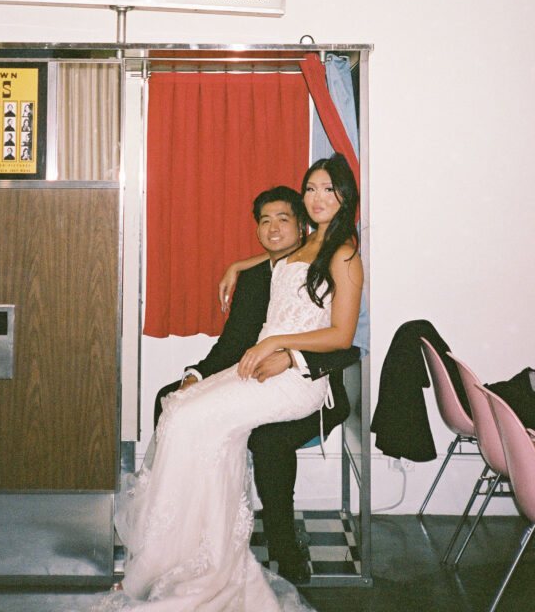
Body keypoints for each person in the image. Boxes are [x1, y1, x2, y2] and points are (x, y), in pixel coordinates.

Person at [102, 153, 363, 612]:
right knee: (180, 410)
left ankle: (196, 558)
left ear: (345, 197)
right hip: (258, 369)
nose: (318, 198)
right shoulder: (301, 247)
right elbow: (277, 258)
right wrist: (239, 266)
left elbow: (342, 335)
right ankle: (190, 553)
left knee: (189, 421)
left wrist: (282, 347)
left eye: (329, 189)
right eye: (311, 189)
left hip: (298, 380)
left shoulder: (344, 253)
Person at [153, 184, 361, 585]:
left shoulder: (337, 260)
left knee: (268, 440)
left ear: (302, 226)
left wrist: (292, 356)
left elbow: (349, 341)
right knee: (173, 400)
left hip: (315, 387)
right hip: (258, 378)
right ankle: (188, 533)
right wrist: (195, 375)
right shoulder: (253, 276)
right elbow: (233, 344)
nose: (273, 228)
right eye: (264, 221)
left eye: (283, 219)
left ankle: (284, 548)